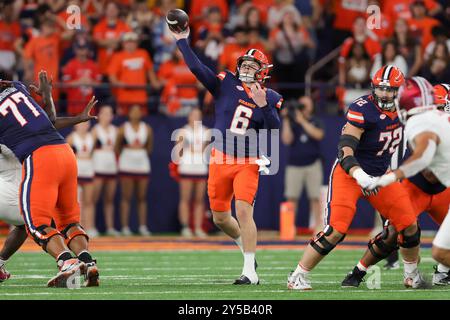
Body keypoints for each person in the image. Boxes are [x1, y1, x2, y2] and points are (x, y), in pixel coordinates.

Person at [287, 65, 421, 290]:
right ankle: (298, 275)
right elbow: (345, 149)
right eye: (381, 89)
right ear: (373, 88)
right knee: (336, 230)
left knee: (409, 224)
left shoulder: (407, 108)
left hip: (381, 175)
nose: (385, 94)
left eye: (390, 90)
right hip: (350, 174)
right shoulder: (363, 108)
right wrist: (359, 174)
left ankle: (411, 274)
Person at [172, 26, 282, 285]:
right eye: (244, 64)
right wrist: (182, 41)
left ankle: (249, 272)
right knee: (220, 217)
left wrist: (264, 104)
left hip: (248, 161)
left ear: (262, 71)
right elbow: (198, 68)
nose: (246, 69)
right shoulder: (225, 83)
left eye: (252, 65)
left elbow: (274, 129)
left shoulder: (270, 96)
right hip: (220, 158)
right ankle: (247, 253)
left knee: (244, 211)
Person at [0, 71, 99, 287]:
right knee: (67, 221)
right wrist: (48, 97)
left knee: (36, 224)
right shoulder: (17, 87)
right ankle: (87, 261)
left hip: (39, 157)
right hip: (65, 152)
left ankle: (66, 262)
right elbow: (49, 120)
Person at [367, 78, 450, 285]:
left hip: (435, 187)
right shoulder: (434, 119)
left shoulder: (422, 121)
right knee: (440, 252)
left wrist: (389, 178)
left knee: (440, 252)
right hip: (434, 186)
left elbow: (423, 158)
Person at [281, 96, 324, 234]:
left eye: (306, 105)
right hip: (294, 165)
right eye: (301, 105)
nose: (303, 108)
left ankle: (318, 226)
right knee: (291, 197)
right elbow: (287, 140)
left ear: (311, 106)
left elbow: (318, 135)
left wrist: (302, 121)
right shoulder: (292, 122)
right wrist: (287, 119)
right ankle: (289, 227)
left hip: (313, 164)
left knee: (315, 197)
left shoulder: (316, 121)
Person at [115, 104, 153, 236]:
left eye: (138, 111)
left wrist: (140, 153)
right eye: (133, 111)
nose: (136, 113)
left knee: (142, 197)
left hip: (142, 163)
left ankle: (142, 226)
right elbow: (117, 146)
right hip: (127, 163)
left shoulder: (146, 128)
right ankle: (125, 227)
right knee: (126, 197)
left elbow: (149, 147)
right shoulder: (123, 128)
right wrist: (128, 153)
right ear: (129, 113)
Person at [173, 108, 210, 238]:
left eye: (198, 115)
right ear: (189, 117)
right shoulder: (183, 131)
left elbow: (206, 151)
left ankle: (198, 227)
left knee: (199, 200)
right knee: (185, 198)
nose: (195, 118)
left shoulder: (205, 131)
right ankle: (185, 227)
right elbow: (178, 152)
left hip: (200, 167)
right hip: (187, 167)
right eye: (193, 115)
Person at [92, 105, 119, 236]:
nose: (107, 116)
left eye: (109, 113)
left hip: (111, 167)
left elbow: (118, 149)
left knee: (109, 199)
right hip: (98, 166)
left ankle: (110, 227)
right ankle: (90, 226)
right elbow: (90, 149)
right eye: (104, 113)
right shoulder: (95, 131)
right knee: (93, 199)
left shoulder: (116, 130)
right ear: (99, 115)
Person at [66, 122, 97, 238]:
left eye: (86, 124)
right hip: (77, 171)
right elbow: (66, 154)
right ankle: (78, 226)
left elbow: (93, 153)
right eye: (81, 124)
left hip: (88, 170)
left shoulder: (92, 137)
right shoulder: (71, 138)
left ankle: (90, 226)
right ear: (76, 125)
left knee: (89, 201)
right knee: (77, 201)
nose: (83, 126)